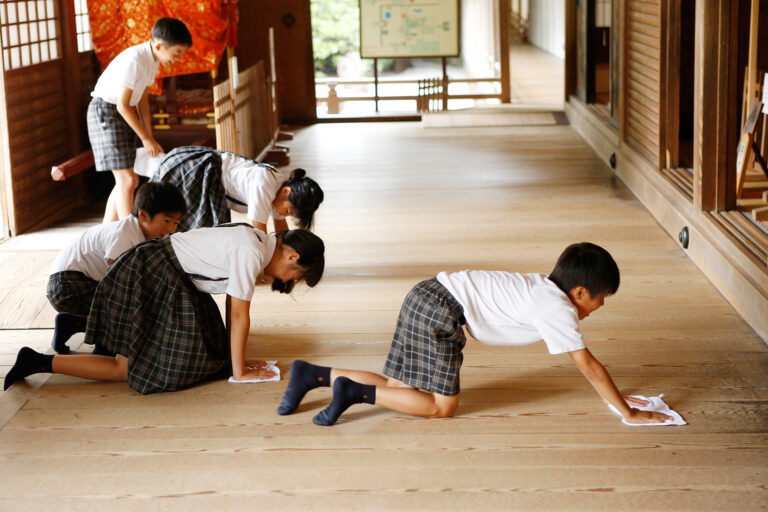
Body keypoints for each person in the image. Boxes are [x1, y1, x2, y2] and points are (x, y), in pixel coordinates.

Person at [277, 242, 672, 426]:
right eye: (603, 298)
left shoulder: (543, 288)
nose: (600, 307)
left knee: (401, 388)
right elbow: (589, 367)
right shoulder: (558, 308)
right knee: (440, 407)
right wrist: (629, 411)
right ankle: (353, 392)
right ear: (581, 293)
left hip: (427, 294)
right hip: (443, 312)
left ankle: (312, 375)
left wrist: (622, 398)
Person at [5, 227, 325, 394]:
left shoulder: (256, 240)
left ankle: (67, 338)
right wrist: (239, 371)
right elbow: (239, 313)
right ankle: (38, 361)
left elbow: (232, 303)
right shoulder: (250, 250)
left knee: (205, 351)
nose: (288, 281)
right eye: (296, 276)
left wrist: (235, 362)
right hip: (153, 274)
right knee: (136, 370)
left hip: (165, 274)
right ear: (293, 257)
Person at [47, 181, 186, 354]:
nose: (171, 229)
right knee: (127, 301)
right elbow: (118, 282)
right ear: (143, 215)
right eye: (166, 220)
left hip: (81, 281)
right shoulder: (124, 234)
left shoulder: (141, 234)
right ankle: (104, 347)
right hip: (66, 286)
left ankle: (70, 324)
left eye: (175, 222)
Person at [87, 17, 192, 223]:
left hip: (122, 113)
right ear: (160, 45)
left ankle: (108, 231)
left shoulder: (152, 59)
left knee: (125, 181)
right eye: (177, 53)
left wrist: (150, 137)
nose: (178, 59)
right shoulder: (135, 59)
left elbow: (142, 100)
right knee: (128, 180)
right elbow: (123, 105)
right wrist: (145, 139)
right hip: (106, 112)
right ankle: (129, 236)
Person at [153, 146, 324, 233]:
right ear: (287, 192)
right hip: (197, 170)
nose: (284, 214)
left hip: (210, 177)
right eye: (287, 211)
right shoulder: (264, 184)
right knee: (179, 220)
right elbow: (259, 235)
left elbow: (281, 231)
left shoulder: (280, 187)